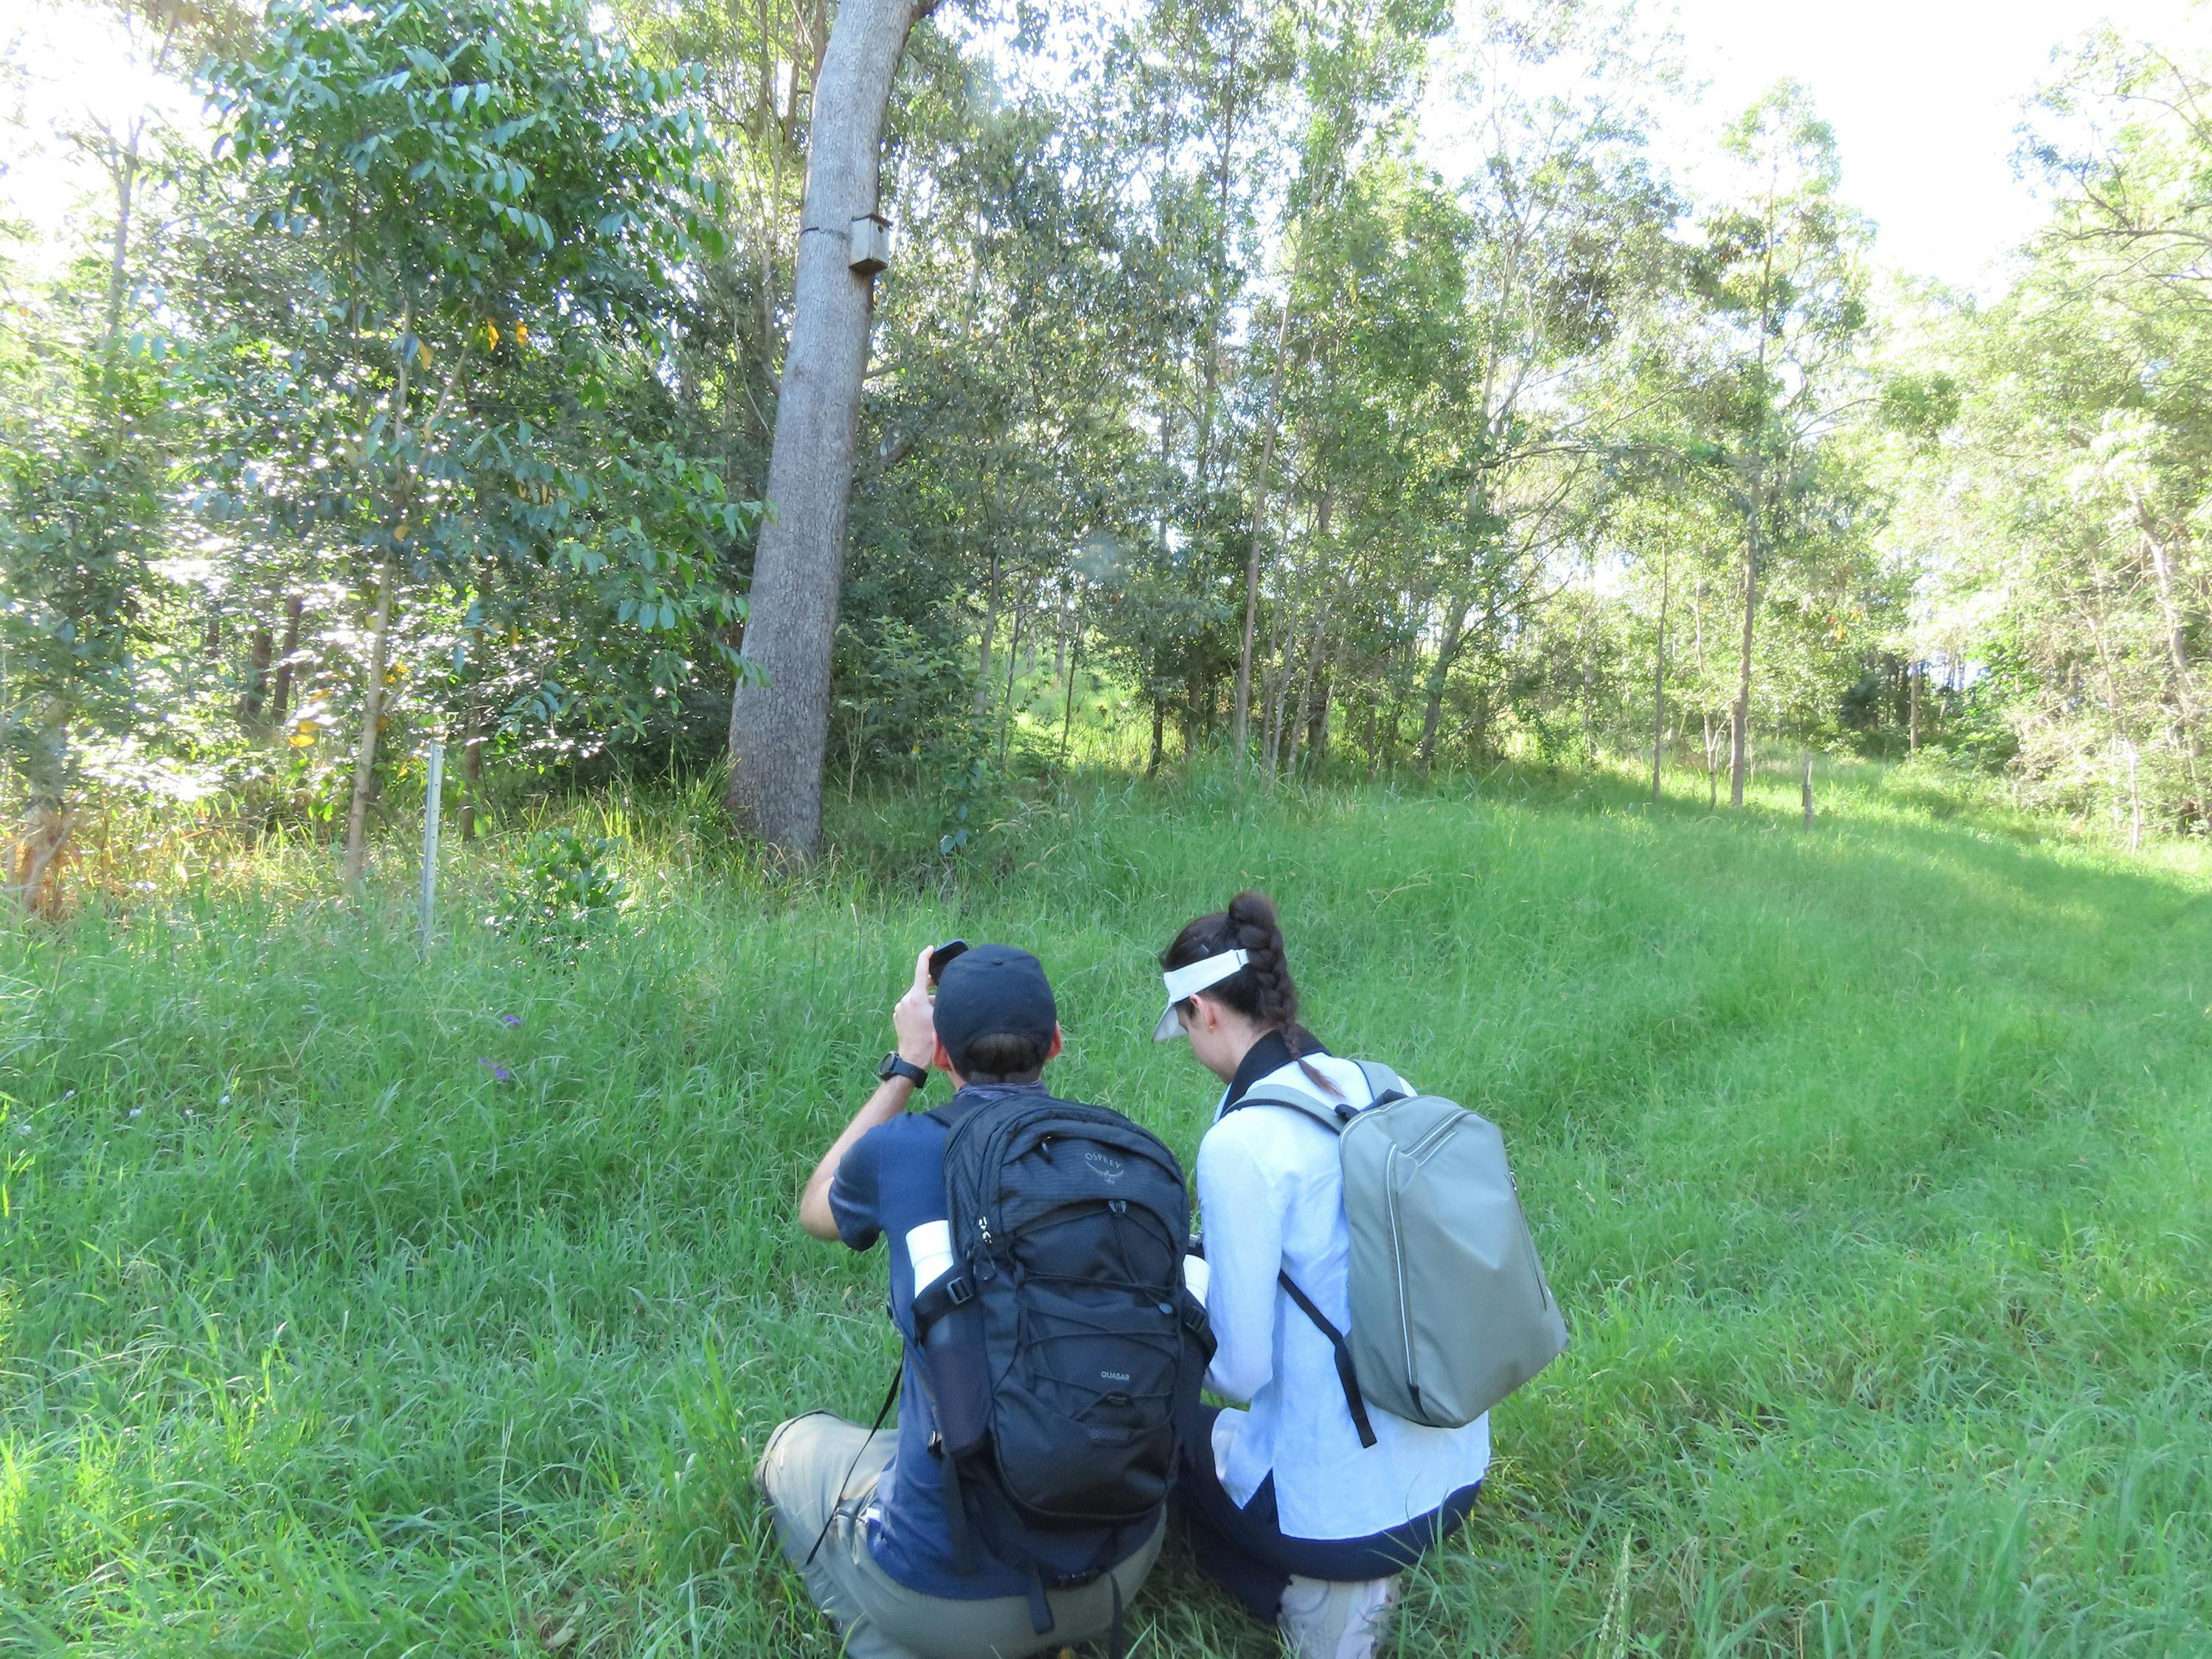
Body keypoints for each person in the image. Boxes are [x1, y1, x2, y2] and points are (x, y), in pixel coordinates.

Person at [757, 943, 1166, 1659]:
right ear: (1057, 1044)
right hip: (1120, 1563)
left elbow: (816, 1209)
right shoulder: (1127, 1157)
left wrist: (903, 1066)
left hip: (944, 1592)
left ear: (942, 1051)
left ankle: (893, 1645)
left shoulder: (904, 1152)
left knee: (790, 1451)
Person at [1155, 892, 1489, 1659]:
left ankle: (1307, 1594)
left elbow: (1239, 1373)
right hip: (1456, 1467)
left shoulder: (1240, 1143)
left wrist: (1181, 1295)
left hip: (1344, 1520)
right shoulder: (1381, 1084)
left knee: (1166, 1429)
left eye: (1182, 1025)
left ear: (1204, 1012)